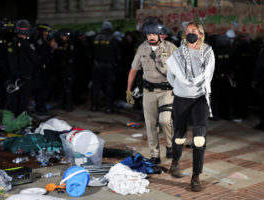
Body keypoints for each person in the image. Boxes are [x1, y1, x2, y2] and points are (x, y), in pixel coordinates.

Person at [166, 21, 215, 192]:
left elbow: (209, 73)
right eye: (187, 31)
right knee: (179, 135)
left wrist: (194, 85)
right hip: (181, 98)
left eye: (193, 30)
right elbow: (170, 75)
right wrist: (181, 87)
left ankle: (196, 177)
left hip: (200, 98)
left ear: (200, 34)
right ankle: (175, 162)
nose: (190, 33)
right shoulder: (178, 53)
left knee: (199, 138)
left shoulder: (208, 51)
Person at [126, 20, 177, 164]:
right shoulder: (142, 49)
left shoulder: (172, 48)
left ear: (161, 35)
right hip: (148, 91)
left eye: (154, 33)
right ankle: (155, 155)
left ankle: (169, 145)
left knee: (165, 120)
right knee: (150, 124)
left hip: (166, 91)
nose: (151, 37)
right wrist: (129, 90)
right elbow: (133, 70)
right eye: (149, 34)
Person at [7, 19, 42, 116]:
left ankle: (16, 116)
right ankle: (21, 118)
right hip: (26, 76)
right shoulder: (27, 44)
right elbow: (35, 60)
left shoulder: (12, 43)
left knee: (16, 98)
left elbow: (10, 61)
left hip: (15, 75)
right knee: (24, 99)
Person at [90, 21, 120, 113]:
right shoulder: (113, 39)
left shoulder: (95, 39)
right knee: (109, 87)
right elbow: (118, 55)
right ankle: (108, 107)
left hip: (97, 66)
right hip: (109, 67)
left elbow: (90, 54)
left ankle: (94, 106)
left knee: (96, 86)